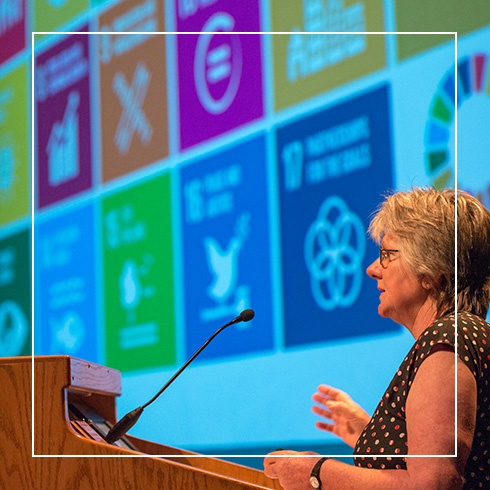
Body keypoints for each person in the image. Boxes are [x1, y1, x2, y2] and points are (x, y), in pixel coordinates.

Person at [264, 187, 490, 490]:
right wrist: (371, 436)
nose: (372, 270)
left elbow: (432, 484)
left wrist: (316, 472)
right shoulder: (461, 336)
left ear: (433, 270)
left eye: (387, 255)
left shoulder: (447, 339)